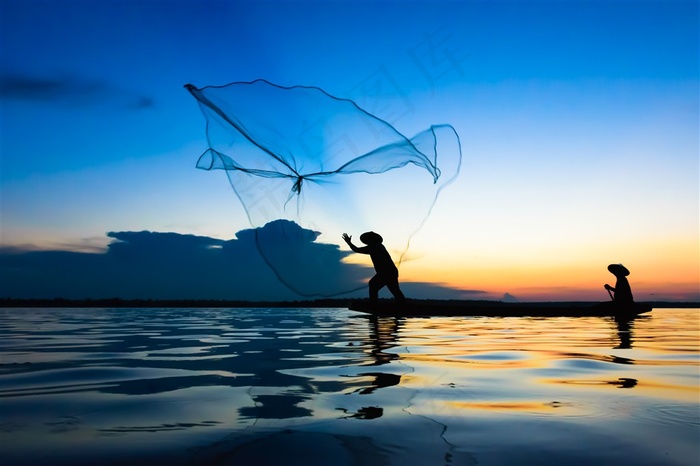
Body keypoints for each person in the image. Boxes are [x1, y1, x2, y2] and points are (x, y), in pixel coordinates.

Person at [342, 231, 405, 302]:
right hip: (391, 271)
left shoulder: (374, 247)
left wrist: (349, 242)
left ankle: (374, 304)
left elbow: (356, 249)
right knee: (395, 290)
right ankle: (403, 305)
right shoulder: (379, 246)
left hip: (386, 272)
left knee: (373, 285)